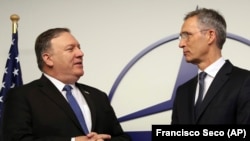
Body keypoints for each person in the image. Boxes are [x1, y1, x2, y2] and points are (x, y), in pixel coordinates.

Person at [1, 27, 131, 141]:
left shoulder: (98, 96)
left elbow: (122, 138)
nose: (80, 53)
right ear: (48, 59)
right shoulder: (22, 96)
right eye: (70, 49)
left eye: (79, 48)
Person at [171, 8, 250, 124]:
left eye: (187, 35)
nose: (181, 44)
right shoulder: (183, 91)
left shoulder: (244, 81)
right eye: (181, 37)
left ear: (210, 35)